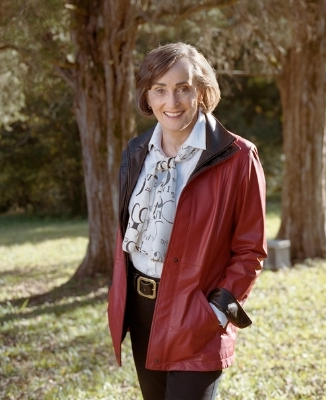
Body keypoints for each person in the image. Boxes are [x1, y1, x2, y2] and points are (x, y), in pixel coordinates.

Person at [108, 42, 267, 400]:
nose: (172, 102)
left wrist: (214, 312)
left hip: (194, 314)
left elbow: (250, 250)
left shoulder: (238, 158)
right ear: (147, 97)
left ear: (201, 91)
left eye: (183, 88)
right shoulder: (136, 152)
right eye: (160, 90)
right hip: (140, 308)